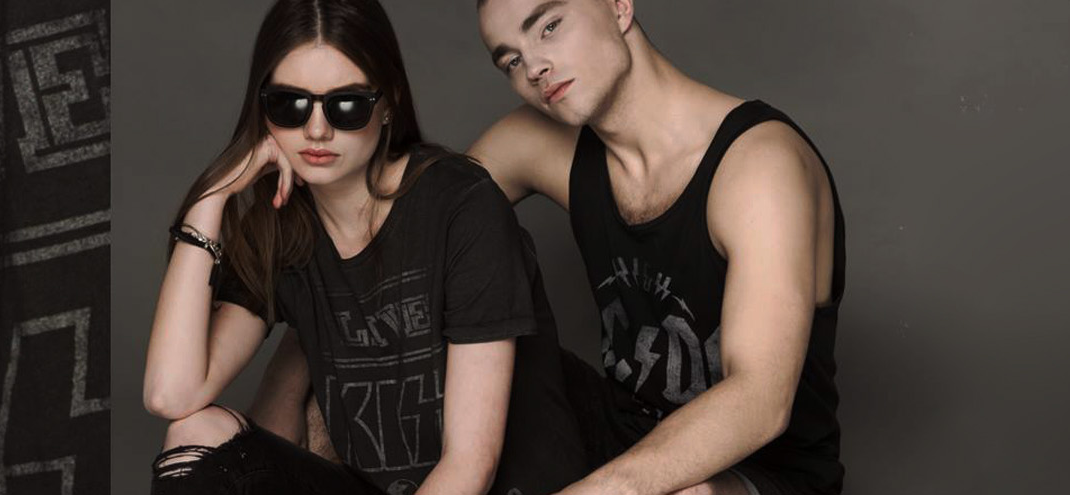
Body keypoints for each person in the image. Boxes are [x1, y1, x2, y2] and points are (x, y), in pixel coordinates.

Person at [140, 0, 588, 493]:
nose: (316, 130)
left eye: (346, 105)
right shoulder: (282, 229)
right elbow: (170, 395)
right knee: (196, 434)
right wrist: (210, 200)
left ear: (388, 101)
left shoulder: (461, 205)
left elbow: (470, 465)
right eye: (290, 105)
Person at [466, 1, 850, 494]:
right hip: (625, 435)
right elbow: (424, 225)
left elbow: (760, 400)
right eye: (511, 61)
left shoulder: (758, 165)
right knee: (457, 329)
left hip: (763, 472)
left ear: (619, 6)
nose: (534, 68)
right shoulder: (540, 142)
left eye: (549, 26)